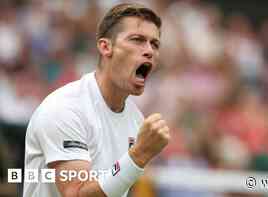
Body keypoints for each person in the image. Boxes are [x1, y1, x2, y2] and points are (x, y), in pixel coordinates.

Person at [23, 3, 170, 197]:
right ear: (105, 47)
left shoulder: (136, 120)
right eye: (137, 40)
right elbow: (76, 193)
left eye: (155, 44)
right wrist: (139, 155)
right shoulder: (64, 108)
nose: (149, 50)